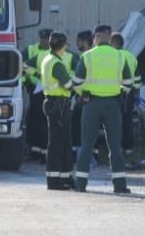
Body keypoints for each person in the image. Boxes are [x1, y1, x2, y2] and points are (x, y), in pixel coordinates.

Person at [72, 24, 133, 194]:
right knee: (115, 146)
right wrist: (120, 94)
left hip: (91, 104)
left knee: (86, 145)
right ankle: (120, 186)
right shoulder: (119, 56)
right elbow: (129, 84)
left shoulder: (87, 56)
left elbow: (76, 83)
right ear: (109, 37)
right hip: (113, 105)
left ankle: (81, 184)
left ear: (95, 37)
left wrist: (83, 95)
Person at [40, 32, 76, 190]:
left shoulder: (47, 59)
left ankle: (65, 177)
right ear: (63, 46)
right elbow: (68, 85)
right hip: (59, 104)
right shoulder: (57, 63)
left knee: (62, 142)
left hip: (54, 103)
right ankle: (55, 181)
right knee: (58, 144)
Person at [110, 31, 141, 165]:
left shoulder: (112, 56)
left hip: (116, 92)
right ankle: (129, 150)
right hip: (130, 93)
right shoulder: (131, 56)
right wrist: (136, 94)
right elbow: (138, 78)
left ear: (113, 43)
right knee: (127, 122)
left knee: (114, 122)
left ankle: (117, 151)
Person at [23, 28, 52, 159]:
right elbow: (22, 64)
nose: (44, 41)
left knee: (45, 122)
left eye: (47, 38)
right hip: (35, 90)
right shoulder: (31, 50)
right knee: (33, 121)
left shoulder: (55, 52)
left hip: (49, 91)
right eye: (42, 38)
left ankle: (43, 152)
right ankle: (34, 151)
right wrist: (35, 75)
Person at [72, 30, 94, 164]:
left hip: (85, 98)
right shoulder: (91, 56)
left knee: (81, 128)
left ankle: (84, 158)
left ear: (84, 41)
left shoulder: (86, 57)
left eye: (78, 41)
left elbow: (80, 80)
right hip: (89, 97)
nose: (77, 44)